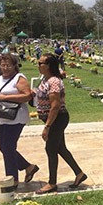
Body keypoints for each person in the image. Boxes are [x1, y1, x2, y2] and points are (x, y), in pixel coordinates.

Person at [33, 54, 87, 194]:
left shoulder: (54, 82)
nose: (38, 65)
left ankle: (52, 183)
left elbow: (55, 105)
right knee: (60, 148)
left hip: (57, 119)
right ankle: (79, 174)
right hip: (53, 119)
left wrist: (47, 127)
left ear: (49, 65)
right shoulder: (46, 79)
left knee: (50, 149)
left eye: (41, 63)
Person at [0, 53, 38, 189]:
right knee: (3, 147)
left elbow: (26, 96)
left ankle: (12, 179)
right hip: (3, 117)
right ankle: (28, 167)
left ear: (15, 65)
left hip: (16, 118)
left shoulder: (19, 78)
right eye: (3, 65)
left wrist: (5, 98)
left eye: (8, 65)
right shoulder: (0, 78)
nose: (5, 68)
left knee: (8, 147)